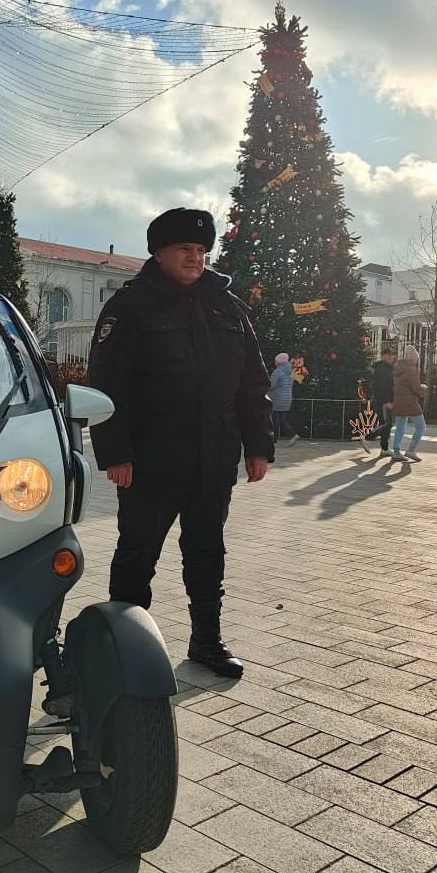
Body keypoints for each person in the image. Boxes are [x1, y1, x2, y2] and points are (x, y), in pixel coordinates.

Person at [87, 207, 274, 681]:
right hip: (150, 460)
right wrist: (115, 453)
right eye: (185, 250)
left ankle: (206, 642)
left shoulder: (227, 308)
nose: (195, 258)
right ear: (160, 253)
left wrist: (258, 446)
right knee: (137, 555)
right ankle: (123, 647)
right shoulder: (131, 307)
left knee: (207, 554)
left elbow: (252, 383)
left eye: (201, 251)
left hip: (213, 458)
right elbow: (107, 385)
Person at [391, 344, 428, 462]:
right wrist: (423, 388)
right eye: (417, 357)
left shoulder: (398, 368)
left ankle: (396, 452)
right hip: (409, 402)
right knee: (421, 426)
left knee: (400, 427)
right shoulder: (411, 369)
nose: (417, 359)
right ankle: (411, 450)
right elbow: (416, 387)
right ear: (412, 357)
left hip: (398, 400)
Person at [370, 345, 396, 458]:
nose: (392, 358)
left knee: (386, 424)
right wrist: (387, 401)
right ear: (384, 356)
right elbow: (382, 387)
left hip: (383, 400)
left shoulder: (386, 368)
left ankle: (384, 448)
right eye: (389, 356)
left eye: (392, 356)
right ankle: (367, 438)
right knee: (386, 424)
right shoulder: (382, 369)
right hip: (383, 401)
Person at [269, 352, 298, 446]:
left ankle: (275, 439)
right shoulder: (291, 371)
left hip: (277, 397)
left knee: (275, 419)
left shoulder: (277, 371)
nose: (274, 363)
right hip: (287, 397)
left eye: (275, 361)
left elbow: (272, 385)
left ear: (279, 362)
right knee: (281, 418)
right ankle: (290, 435)